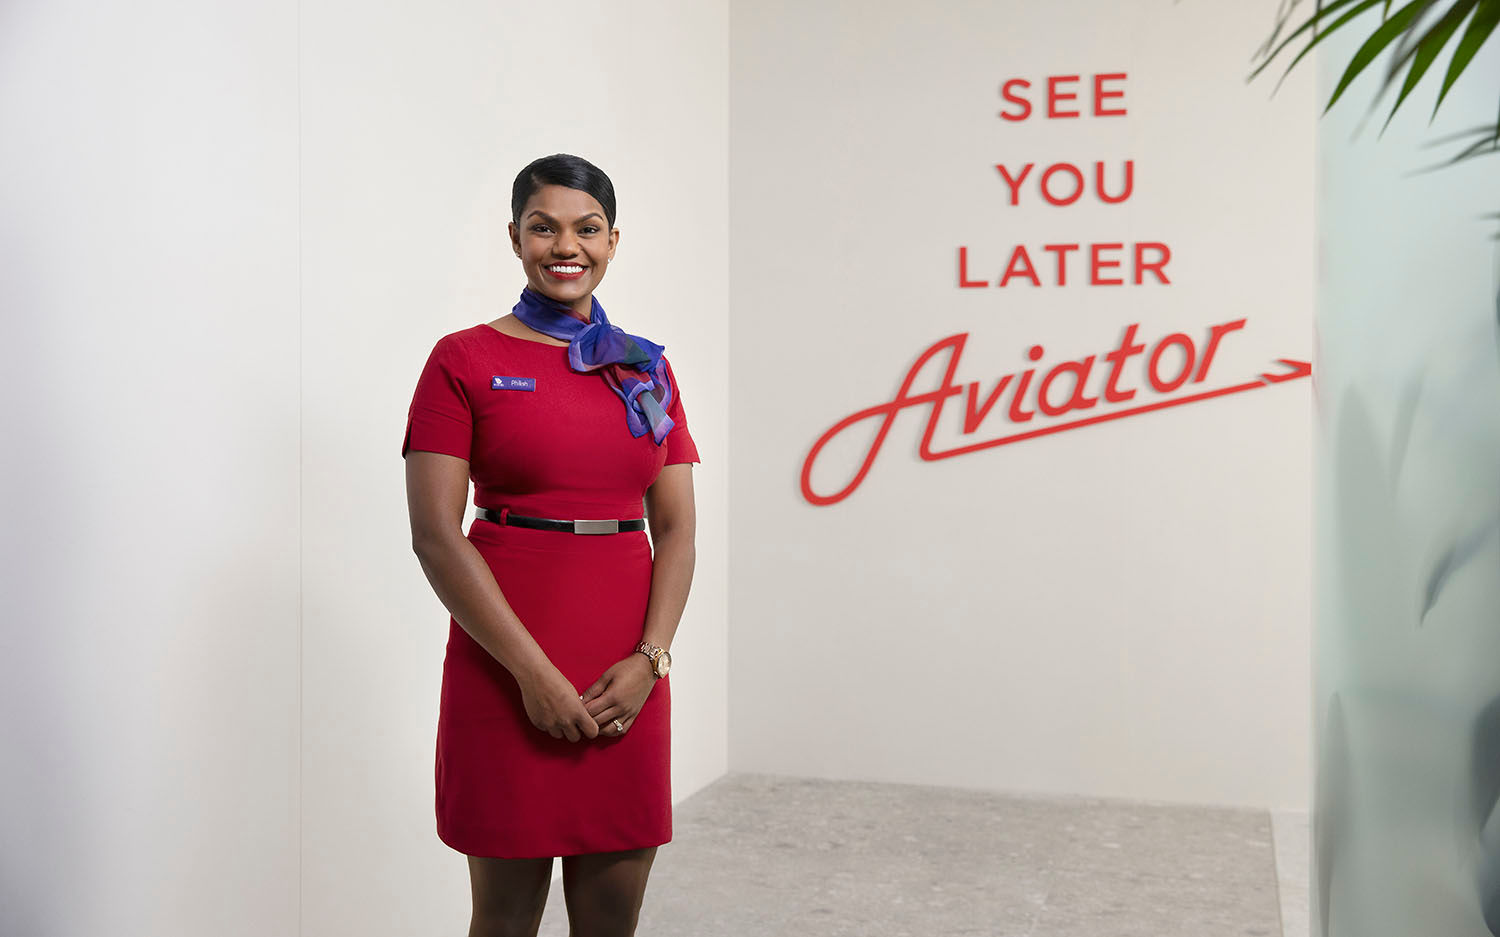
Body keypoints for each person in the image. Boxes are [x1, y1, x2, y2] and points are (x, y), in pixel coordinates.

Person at [401, 153, 700, 937]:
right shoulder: (463, 358)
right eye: (544, 226)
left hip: (625, 676)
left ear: (612, 240)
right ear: (515, 237)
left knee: (611, 920)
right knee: (503, 922)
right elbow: (435, 534)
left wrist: (651, 659)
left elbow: (676, 527)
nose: (566, 245)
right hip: (505, 669)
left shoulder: (646, 366)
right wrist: (532, 674)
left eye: (587, 228)